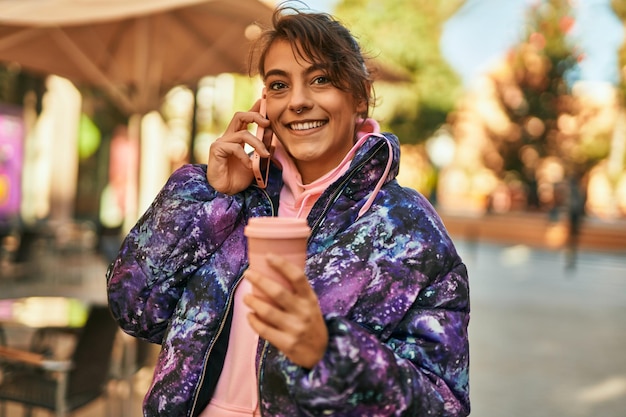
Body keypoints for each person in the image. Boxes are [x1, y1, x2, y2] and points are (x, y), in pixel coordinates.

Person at [106, 5, 470, 417]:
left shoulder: (411, 230)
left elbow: (443, 405)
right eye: (278, 85)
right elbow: (135, 307)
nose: (297, 101)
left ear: (360, 97)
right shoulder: (235, 200)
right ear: (263, 105)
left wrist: (329, 352)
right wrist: (209, 194)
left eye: (320, 80)